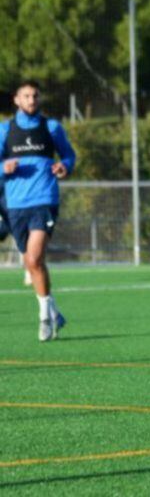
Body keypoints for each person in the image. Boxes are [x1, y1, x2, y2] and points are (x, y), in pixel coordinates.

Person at [1, 80, 75, 341]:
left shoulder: (51, 127)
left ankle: (44, 318)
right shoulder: (5, 130)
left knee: (33, 259)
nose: (31, 100)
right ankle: (55, 312)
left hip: (44, 200)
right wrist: (4, 168)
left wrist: (64, 166)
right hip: (16, 205)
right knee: (33, 264)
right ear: (16, 100)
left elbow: (69, 156)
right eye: (26, 96)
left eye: (35, 96)